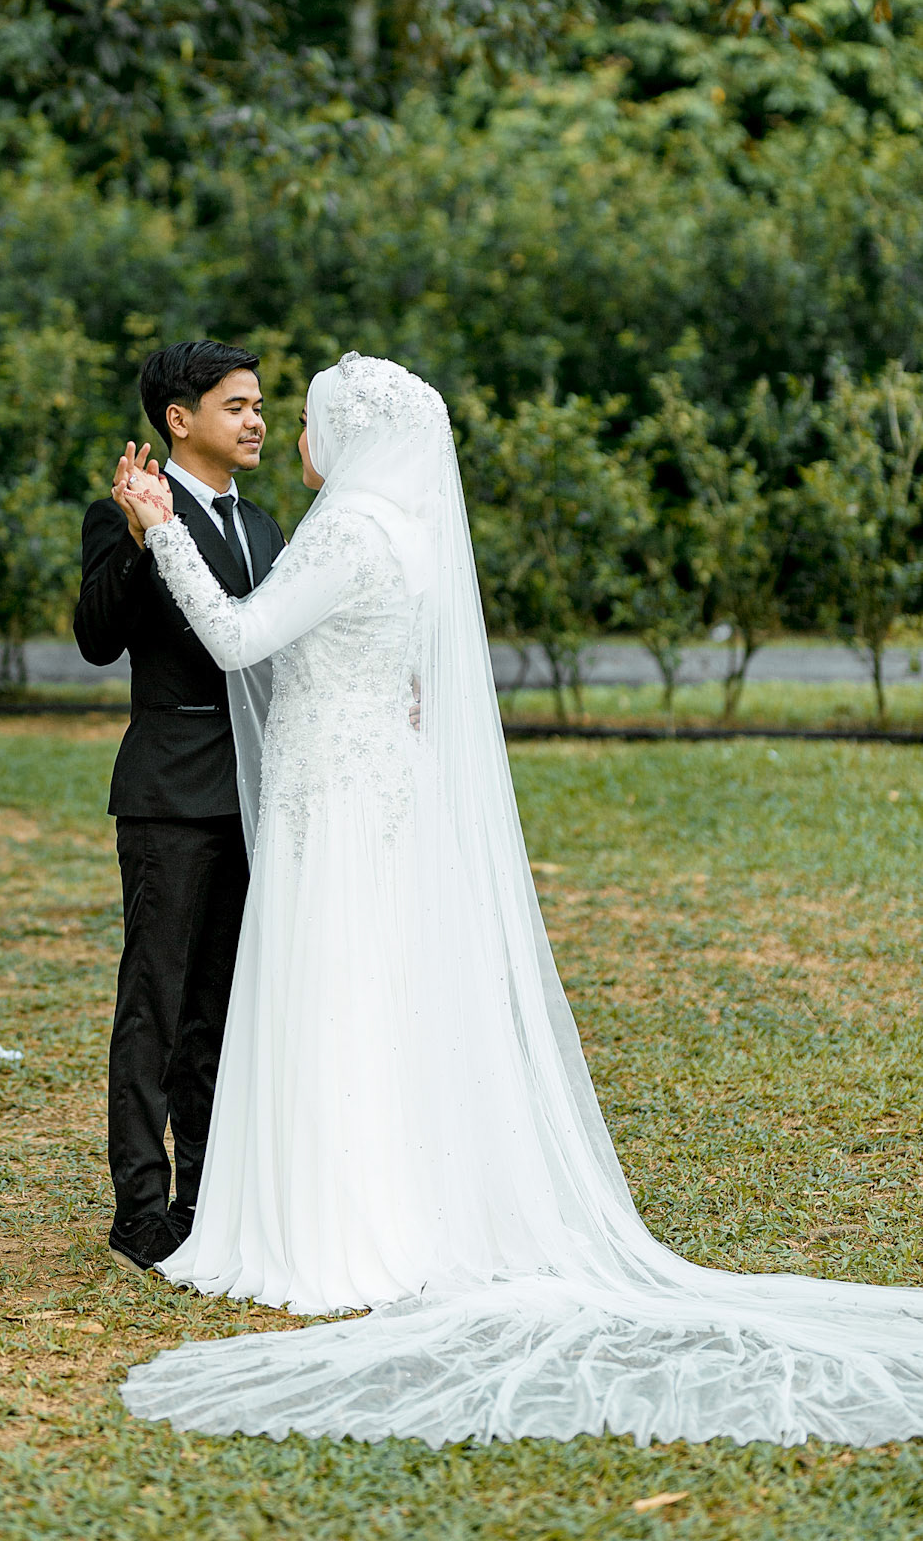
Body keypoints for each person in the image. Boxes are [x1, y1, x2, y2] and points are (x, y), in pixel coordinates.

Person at [113, 352, 923, 1447]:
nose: (294, 434)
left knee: (336, 993)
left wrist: (163, 530)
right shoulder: (408, 533)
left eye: (307, 418)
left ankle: (340, 1223)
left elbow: (238, 637)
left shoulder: (349, 529)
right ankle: (388, 1201)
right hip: (372, 791)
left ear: (353, 435)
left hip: (337, 806)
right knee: (376, 996)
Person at [73, 340, 285, 1275]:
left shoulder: (267, 527)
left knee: (220, 1010)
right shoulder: (121, 515)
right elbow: (95, 638)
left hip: (258, 798)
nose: (255, 421)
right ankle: (139, 1213)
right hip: (168, 796)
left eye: (258, 405)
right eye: (236, 405)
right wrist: (134, 536)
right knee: (153, 1006)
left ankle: (206, 1198)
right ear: (178, 418)